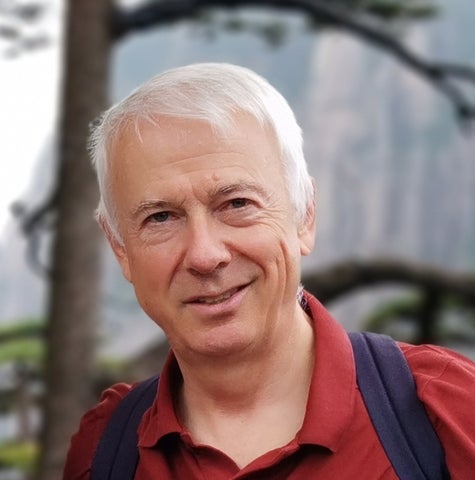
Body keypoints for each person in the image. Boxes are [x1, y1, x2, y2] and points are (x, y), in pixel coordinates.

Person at [63, 62, 475, 479]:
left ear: (305, 215)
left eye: (237, 204)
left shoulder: (443, 411)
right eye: (161, 218)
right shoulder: (107, 450)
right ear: (120, 248)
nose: (205, 255)